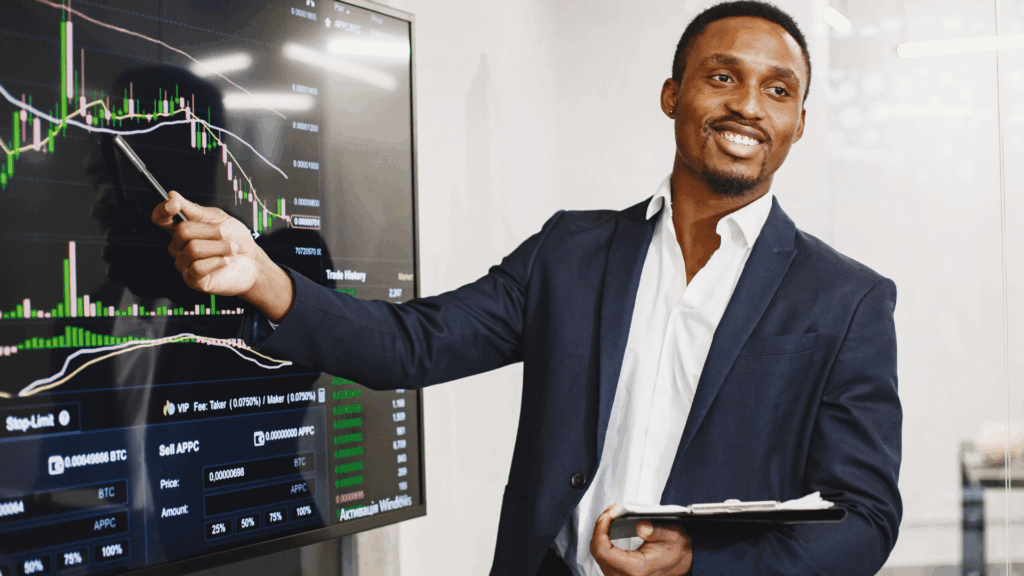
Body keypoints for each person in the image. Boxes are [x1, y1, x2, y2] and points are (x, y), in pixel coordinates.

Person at [151, 1, 902, 574]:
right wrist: (265, 278)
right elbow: (412, 346)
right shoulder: (570, 252)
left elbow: (864, 520)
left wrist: (699, 564)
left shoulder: (847, 300)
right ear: (672, 95)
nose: (748, 105)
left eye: (778, 89)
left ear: (799, 122)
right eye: (723, 76)